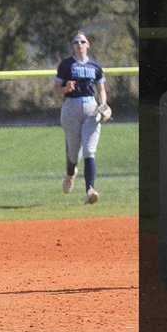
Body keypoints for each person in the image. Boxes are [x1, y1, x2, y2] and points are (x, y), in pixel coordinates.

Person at [53, 31, 108, 205]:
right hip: (71, 106)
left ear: (88, 44)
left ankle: (90, 190)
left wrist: (104, 105)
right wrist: (65, 89)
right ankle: (70, 174)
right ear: (73, 46)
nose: (79, 44)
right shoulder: (66, 65)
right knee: (73, 153)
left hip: (91, 107)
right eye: (76, 42)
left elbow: (100, 89)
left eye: (82, 41)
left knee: (89, 151)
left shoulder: (95, 66)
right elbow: (55, 90)